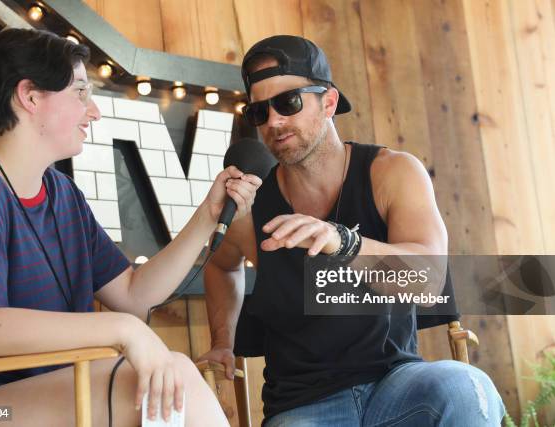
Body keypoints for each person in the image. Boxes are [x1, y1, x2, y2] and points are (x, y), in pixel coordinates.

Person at [0, 28, 261, 426]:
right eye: (79, 92)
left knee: (173, 378)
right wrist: (124, 330)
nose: (93, 111)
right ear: (30, 96)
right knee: (171, 378)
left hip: (47, 393)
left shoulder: (63, 194)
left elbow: (133, 295)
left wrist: (207, 216)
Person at [198, 35, 505, 426]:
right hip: (303, 404)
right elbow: (220, 265)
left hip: (396, 383)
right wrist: (222, 342)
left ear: (328, 102)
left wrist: (343, 242)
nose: (273, 121)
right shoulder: (251, 205)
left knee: (464, 386)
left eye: (288, 103)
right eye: (259, 112)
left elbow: (429, 280)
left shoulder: (390, 173)